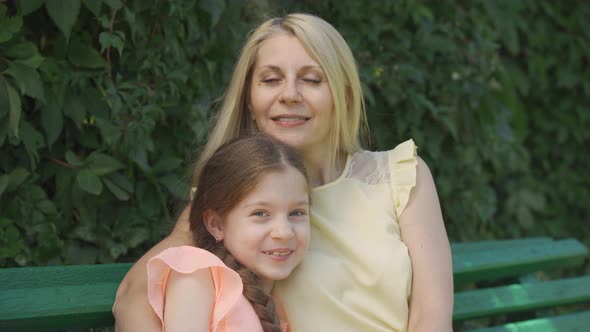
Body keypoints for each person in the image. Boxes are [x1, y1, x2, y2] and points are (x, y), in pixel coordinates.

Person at [114, 12, 453, 332]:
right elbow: (133, 297)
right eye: (271, 79)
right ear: (250, 98)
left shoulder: (399, 177)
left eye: (311, 79)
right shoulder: (231, 198)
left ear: (345, 96)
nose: (289, 95)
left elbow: (431, 317)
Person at [138, 134, 310, 332]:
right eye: (260, 213)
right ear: (216, 225)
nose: (284, 232)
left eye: (297, 212)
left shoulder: (278, 302)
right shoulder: (197, 273)